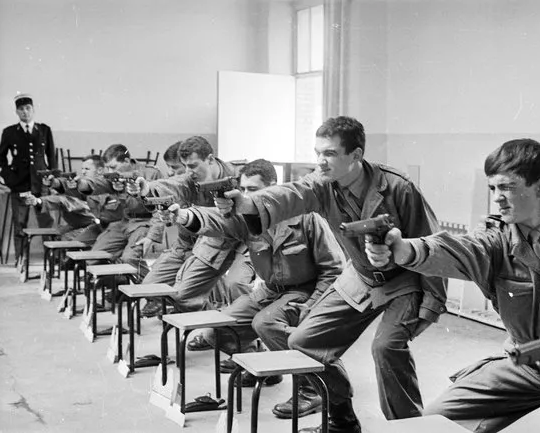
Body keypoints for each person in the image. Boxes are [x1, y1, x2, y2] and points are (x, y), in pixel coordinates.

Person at [365, 138, 540, 433]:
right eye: (493, 188)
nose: (497, 198)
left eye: (507, 187)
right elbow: (455, 249)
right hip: (525, 361)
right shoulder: (495, 240)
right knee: (432, 424)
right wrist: (403, 249)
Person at [215, 116, 447, 433]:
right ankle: (342, 420)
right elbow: (290, 194)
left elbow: (432, 244)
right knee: (303, 341)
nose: (321, 161)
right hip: (361, 277)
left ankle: (408, 429)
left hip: (403, 282)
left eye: (330, 153)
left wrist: (433, 301)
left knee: (387, 348)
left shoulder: (399, 188)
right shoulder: (322, 183)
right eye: (318, 152)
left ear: (356, 155)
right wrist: (248, 202)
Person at [174, 159, 344, 411]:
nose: (246, 197)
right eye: (242, 190)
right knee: (216, 332)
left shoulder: (308, 218)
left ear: (273, 189)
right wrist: (184, 215)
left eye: (253, 190)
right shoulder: (247, 218)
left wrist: (312, 305)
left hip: (305, 290)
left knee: (266, 323)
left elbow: (333, 269)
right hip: (270, 290)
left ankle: (312, 389)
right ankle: (266, 368)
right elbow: (218, 220)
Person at [129, 136, 251, 315]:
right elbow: (171, 185)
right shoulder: (190, 180)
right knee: (150, 288)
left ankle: (219, 319)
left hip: (235, 242)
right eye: (185, 166)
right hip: (192, 244)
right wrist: (146, 189)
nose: (188, 171)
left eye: (193, 165)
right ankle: (208, 316)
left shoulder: (240, 177)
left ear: (210, 159)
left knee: (230, 285)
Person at [79, 144, 163, 281]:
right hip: (124, 222)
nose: (110, 170)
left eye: (113, 167)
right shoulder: (116, 176)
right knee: (93, 258)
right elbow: (96, 184)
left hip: (144, 222)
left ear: (126, 161)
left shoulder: (151, 173)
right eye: (108, 167)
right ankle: (117, 288)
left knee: (130, 259)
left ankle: (155, 293)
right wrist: (81, 183)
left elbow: (157, 205)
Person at [0, 94, 54, 273]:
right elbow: (0, 158)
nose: (25, 112)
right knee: (20, 224)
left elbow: (51, 157)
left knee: (46, 223)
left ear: (33, 109)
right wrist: (9, 179)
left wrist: (52, 179)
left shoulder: (44, 130)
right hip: (19, 185)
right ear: (16, 112)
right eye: (21, 109)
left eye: (28, 108)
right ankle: (21, 260)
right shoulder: (9, 132)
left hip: (41, 184)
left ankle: (50, 260)